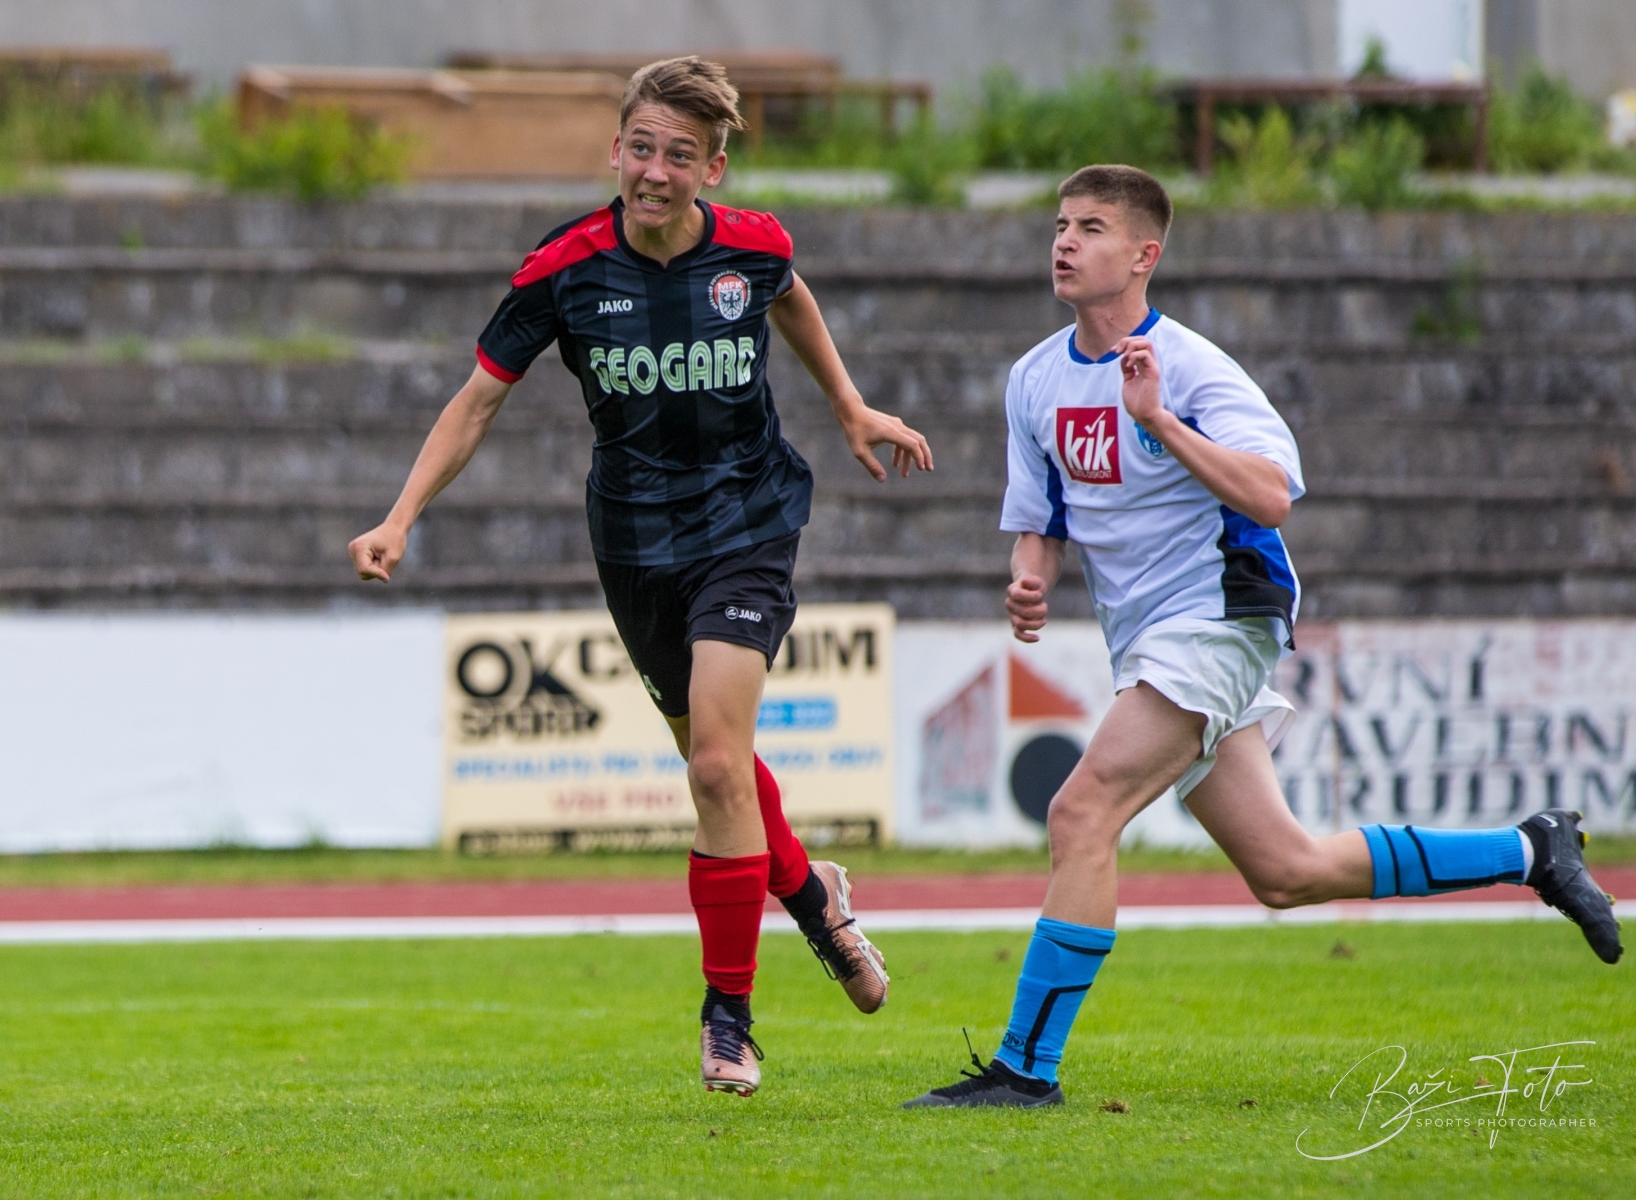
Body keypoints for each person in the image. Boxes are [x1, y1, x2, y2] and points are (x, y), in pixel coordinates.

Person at [904, 164, 1622, 1110]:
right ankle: (1532, 850)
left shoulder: (1194, 368)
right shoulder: (1033, 378)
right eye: (1061, 225)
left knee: (1081, 814)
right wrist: (1030, 577)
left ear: (1145, 255)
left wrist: (1161, 420)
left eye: (1090, 228)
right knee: (1286, 871)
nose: (1065, 242)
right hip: (1150, 640)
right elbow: (1041, 520)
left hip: (1222, 618)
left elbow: (1273, 494)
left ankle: (1025, 1071)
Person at [348, 56, 930, 1098]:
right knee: (721, 770)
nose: (657, 171)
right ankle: (816, 899)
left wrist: (847, 405)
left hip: (749, 524)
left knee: (714, 768)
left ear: (713, 167)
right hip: (633, 546)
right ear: (616, 150)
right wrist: (400, 517)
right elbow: (477, 400)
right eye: (643, 149)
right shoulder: (563, 267)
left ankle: (728, 1023)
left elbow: (791, 298)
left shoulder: (754, 247)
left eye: (681, 155)